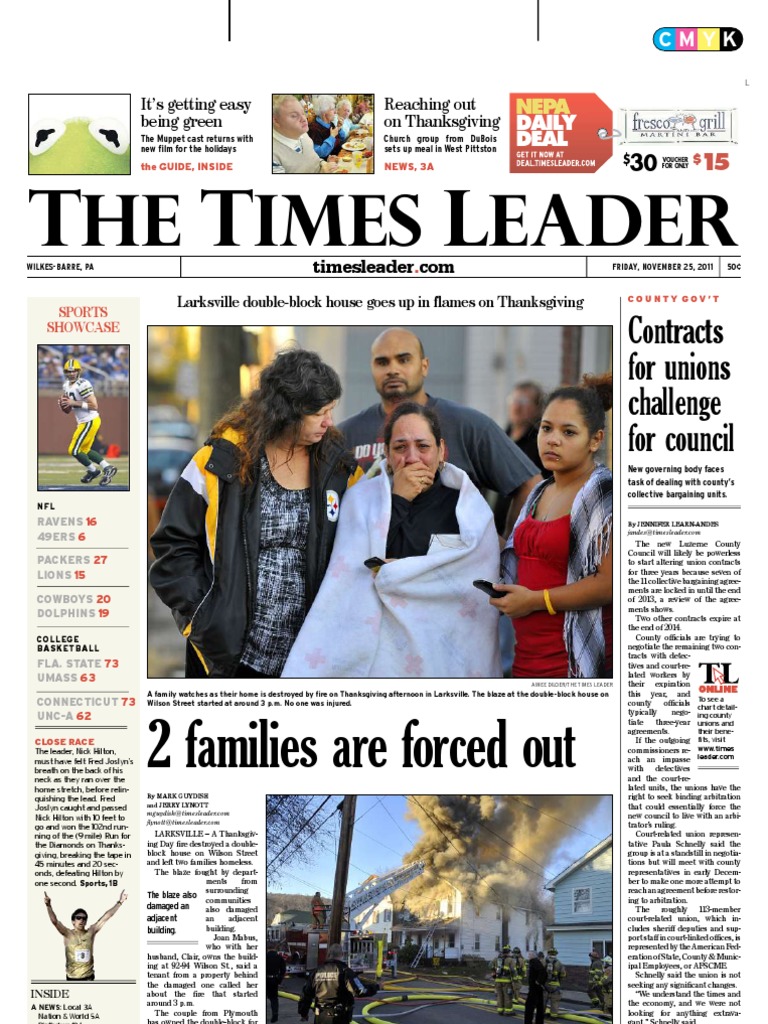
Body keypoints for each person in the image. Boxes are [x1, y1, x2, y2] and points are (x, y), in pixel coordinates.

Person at [149, 349, 361, 677]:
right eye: (319, 413)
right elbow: (172, 545)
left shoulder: (338, 468)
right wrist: (203, 616)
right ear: (287, 411)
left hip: (314, 658)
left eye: (331, 410)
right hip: (233, 660)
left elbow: (364, 542)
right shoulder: (221, 462)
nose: (329, 422)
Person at [282, 402, 502, 678]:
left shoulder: (466, 510)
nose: (412, 458)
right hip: (382, 664)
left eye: (423, 446)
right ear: (385, 453)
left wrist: (404, 572)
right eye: (400, 448)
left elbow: (468, 583)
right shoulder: (361, 501)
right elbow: (352, 579)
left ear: (441, 451)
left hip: (444, 659)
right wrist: (399, 499)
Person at [338, 329, 540, 528]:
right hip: (370, 559)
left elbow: (529, 485)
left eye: (404, 359)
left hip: (452, 559)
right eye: (382, 362)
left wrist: (509, 550)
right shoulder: (346, 434)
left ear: (424, 366)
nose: (392, 369)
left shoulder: (467, 425)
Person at [491, 374, 613, 678]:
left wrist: (535, 601)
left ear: (595, 440)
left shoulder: (604, 493)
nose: (553, 439)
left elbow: (609, 584)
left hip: (574, 666)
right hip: (526, 659)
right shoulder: (539, 491)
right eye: (546, 428)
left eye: (568, 432)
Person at [57, 357, 118, 485]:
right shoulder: (66, 385)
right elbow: (69, 409)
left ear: (79, 371)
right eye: (69, 371)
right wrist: (64, 406)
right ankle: (107, 467)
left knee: (73, 450)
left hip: (89, 420)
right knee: (84, 451)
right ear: (65, 372)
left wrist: (73, 402)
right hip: (83, 421)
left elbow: (94, 405)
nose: (71, 373)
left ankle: (93, 471)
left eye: (74, 371)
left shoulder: (83, 384)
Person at [44, 889, 127, 980]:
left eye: (84, 918)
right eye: (78, 918)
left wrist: (120, 902)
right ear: (73, 921)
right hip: (72, 978)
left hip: (89, 977)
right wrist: (48, 905)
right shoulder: (67, 933)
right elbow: (54, 921)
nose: (81, 920)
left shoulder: (91, 932)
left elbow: (106, 917)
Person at [272, 95, 337, 173]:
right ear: (276, 121)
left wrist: (324, 163)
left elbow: (314, 159)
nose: (303, 119)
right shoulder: (274, 156)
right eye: (294, 116)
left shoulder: (303, 134)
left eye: (303, 113)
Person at [298, 943, 359, 1024]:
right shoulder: (346, 971)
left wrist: (303, 1013)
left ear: (328, 954)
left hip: (321, 1015)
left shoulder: (317, 972)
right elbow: (359, 990)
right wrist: (376, 987)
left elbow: (306, 995)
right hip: (340, 1017)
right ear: (342, 954)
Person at [491, 944, 516, 1017]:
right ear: (508, 952)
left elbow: (490, 966)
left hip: (498, 981)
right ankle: (508, 1011)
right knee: (508, 996)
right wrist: (515, 981)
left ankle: (500, 1010)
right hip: (507, 982)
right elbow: (513, 971)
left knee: (499, 995)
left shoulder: (496, 959)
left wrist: (494, 975)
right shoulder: (510, 960)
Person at [524, 949, 546, 1024]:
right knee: (539, 1006)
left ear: (533, 955)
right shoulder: (535, 962)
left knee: (529, 1006)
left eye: (529, 955)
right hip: (537, 988)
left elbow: (542, 971)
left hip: (534, 988)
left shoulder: (534, 962)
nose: (528, 956)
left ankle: (528, 1022)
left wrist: (538, 981)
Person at [543, 948, 566, 1019]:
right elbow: (563, 975)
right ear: (556, 954)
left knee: (542, 1001)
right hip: (555, 986)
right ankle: (553, 1016)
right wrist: (559, 981)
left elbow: (539, 973)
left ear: (548, 953)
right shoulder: (559, 963)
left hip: (545, 985)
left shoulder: (543, 962)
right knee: (555, 1002)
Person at [266, 944, 287, 1022]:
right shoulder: (279, 957)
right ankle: (275, 1015)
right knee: (274, 999)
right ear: (275, 948)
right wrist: (279, 980)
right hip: (274, 980)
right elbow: (283, 970)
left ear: (267, 948)